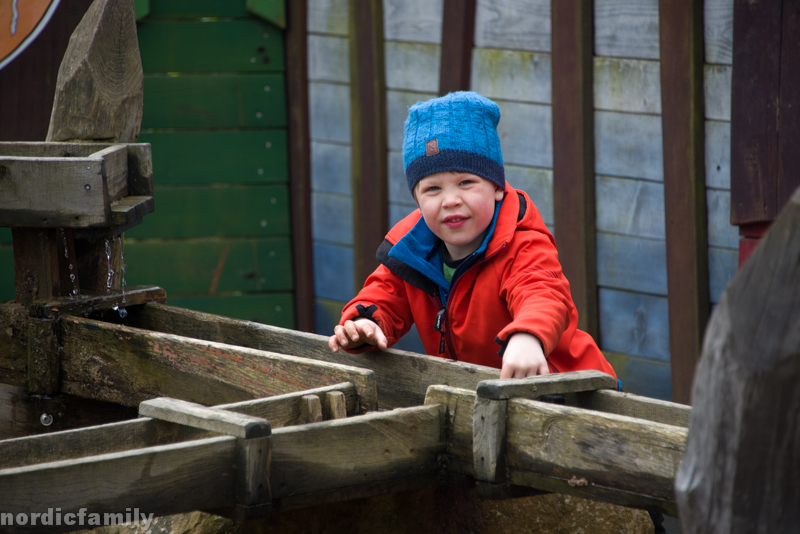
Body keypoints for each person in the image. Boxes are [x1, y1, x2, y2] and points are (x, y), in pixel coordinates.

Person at [328, 91, 616, 381]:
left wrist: (529, 336)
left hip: (570, 390)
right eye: (432, 189)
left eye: (466, 182)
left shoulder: (522, 242)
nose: (450, 200)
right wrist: (364, 323)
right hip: (481, 393)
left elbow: (543, 294)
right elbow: (383, 295)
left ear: (497, 188)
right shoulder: (410, 251)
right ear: (417, 199)